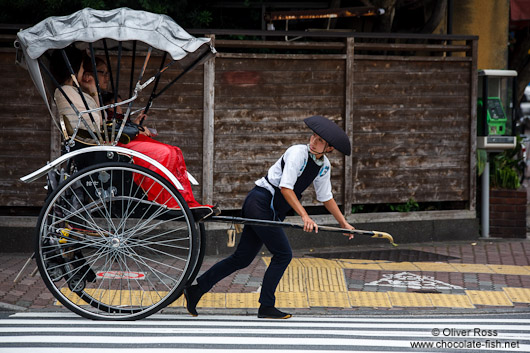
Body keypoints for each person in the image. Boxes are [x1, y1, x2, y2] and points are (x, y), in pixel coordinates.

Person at [184, 115, 355, 319]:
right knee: (283, 254)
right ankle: (266, 306)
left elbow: (326, 197)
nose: (313, 141)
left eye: (319, 140)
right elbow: (285, 188)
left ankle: (195, 290)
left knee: (242, 258)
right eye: (313, 136)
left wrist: (344, 223)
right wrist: (305, 216)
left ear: (329, 149)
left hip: (271, 209)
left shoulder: (323, 166)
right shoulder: (297, 153)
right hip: (260, 201)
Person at [51, 46, 209, 210]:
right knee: (165, 153)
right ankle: (166, 203)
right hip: (103, 146)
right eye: (82, 67)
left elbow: (98, 122)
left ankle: (182, 202)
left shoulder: (75, 93)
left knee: (172, 151)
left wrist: (93, 92)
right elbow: (95, 125)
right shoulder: (67, 92)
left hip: (105, 142)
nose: (84, 71)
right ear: (73, 69)